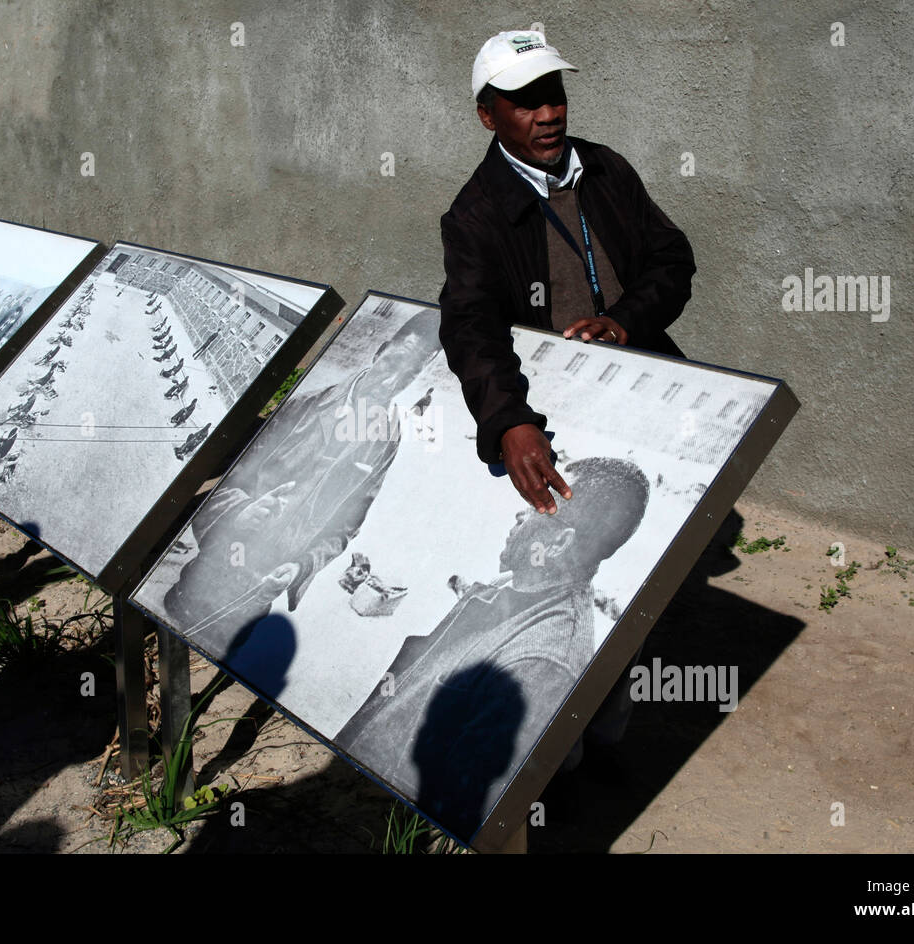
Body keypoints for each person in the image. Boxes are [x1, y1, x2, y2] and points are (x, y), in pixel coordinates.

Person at [439, 30, 696, 515]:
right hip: (561, 403)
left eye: (553, 96)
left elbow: (672, 260)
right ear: (487, 117)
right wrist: (510, 423)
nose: (548, 115)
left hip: (646, 377)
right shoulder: (474, 215)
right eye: (523, 104)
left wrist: (624, 320)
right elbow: (472, 327)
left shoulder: (606, 168)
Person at [335, 457, 650, 838]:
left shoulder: (543, 662)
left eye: (536, 501)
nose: (520, 512)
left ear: (559, 542)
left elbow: (458, 804)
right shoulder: (513, 586)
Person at [162, 308, 440, 657]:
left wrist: (300, 568)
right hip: (208, 576)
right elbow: (227, 473)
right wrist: (241, 511)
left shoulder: (387, 439)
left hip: (256, 599)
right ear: (379, 350)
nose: (392, 381)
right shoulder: (305, 405)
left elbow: (346, 528)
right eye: (392, 364)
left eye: (409, 375)